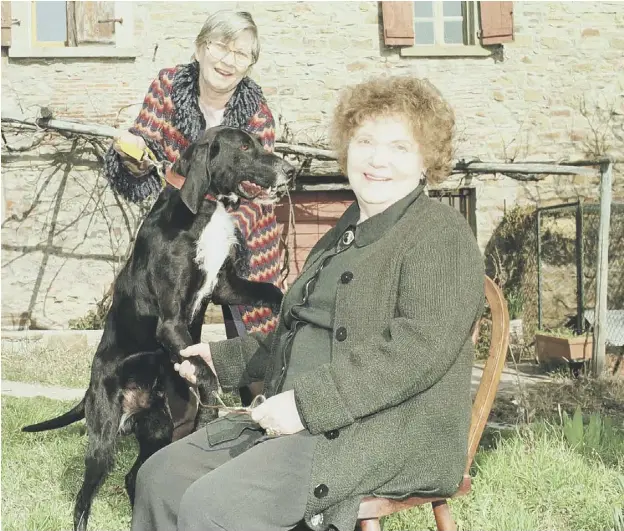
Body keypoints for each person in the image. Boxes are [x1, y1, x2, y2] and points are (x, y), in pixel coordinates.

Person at [131, 76, 486, 531]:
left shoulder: (439, 235)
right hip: (308, 415)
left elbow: (419, 350)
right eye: (365, 142)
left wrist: (305, 406)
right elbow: (300, 329)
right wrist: (225, 359)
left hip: (388, 429)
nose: (378, 160)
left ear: (425, 162)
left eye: (400, 147)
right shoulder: (347, 229)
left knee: (215, 506)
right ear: (347, 150)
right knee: (161, 478)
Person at [104, 10, 281, 339]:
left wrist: (221, 240)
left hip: (243, 232)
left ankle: (259, 390)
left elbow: (261, 194)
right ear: (200, 48)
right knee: (175, 326)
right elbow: (148, 144)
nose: (228, 60)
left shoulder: (258, 113)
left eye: (241, 53)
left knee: (254, 338)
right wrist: (135, 162)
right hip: (180, 228)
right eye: (220, 46)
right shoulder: (168, 86)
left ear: (249, 64)